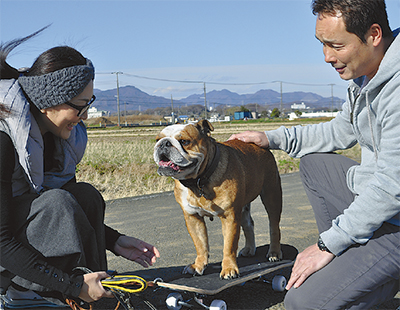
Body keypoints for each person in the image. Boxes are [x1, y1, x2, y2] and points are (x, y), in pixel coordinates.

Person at [229, 0, 400, 308]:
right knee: (314, 162)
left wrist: (327, 245)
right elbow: (338, 131)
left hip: (396, 218)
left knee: (301, 302)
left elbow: (391, 187)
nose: (326, 57)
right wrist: (270, 137)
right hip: (383, 211)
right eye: (322, 45)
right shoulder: (367, 74)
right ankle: (358, 267)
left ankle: (369, 277)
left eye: (335, 45)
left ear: (374, 35)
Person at [0, 27, 160, 308]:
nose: (85, 116)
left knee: (84, 195)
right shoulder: (4, 140)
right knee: (57, 201)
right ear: (48, 103)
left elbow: (72, 212)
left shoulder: (56, 142)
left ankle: (97, 289)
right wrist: (70, 284)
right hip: (5, 259)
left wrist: (115, 240)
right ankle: (29, 294)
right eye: (79, 106)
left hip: (18, 243)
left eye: (89, 104)